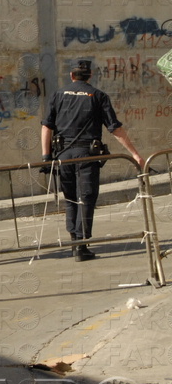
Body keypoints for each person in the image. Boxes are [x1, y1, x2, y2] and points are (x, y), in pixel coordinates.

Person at [41, 60, 143, 261]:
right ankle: (82, 244)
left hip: (63, 155)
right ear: (89, 76)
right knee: (86, 198)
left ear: (71, 75)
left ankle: (74, 241)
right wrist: (134, 153)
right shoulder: (98, 96)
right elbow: (114, 128)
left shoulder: (57, 95)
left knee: (70, 198)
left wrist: (46, 157)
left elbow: (46, 127)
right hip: (88, 155)